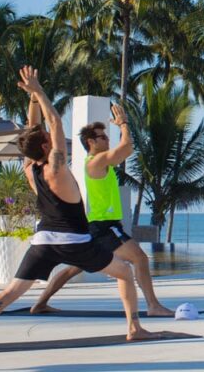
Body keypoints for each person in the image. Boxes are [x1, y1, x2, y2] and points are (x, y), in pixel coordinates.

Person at [0, 67, 157, 349]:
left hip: (43, 241)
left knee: (11, 292)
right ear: (47, 145)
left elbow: (32, 130)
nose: (53, 137)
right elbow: (56, 124)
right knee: (124, 271)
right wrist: (38, 91)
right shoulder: (56, 168)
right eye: (49, 138)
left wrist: (33, 101)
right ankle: (134, 328)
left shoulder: (30, 168)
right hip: (75, 240)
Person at [30, 104, 173, 316]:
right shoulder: (95, 162)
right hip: (105, 227)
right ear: (91, 142)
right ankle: (153, 306)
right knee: (140, 259)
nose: (107, 139)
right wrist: (123, 123)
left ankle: (40, 303)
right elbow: (127, 148)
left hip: (95, 226)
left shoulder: (99, 163)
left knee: (74, 267)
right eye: (103, 137)